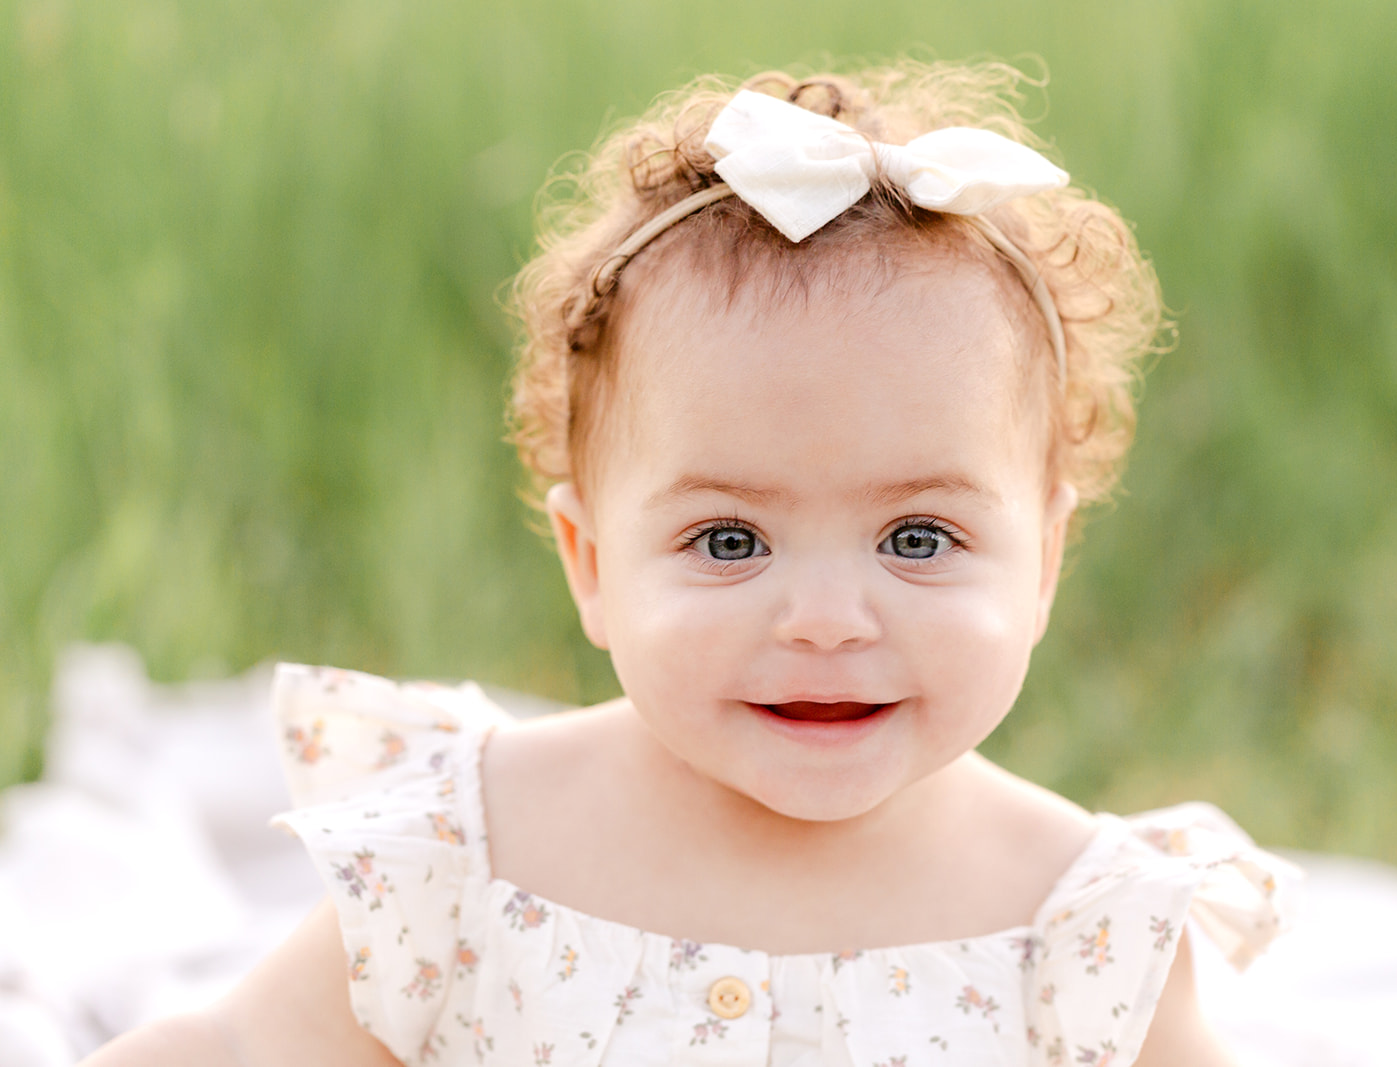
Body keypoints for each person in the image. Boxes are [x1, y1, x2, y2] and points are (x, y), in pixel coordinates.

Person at [87, 61, 1299, 1067]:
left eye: (917, 538)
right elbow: (242, 1045)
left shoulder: (1079, 921)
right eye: (730, 540)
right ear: (593, 563)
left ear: (1043, 559)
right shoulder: (471, 850)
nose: (825, 618)